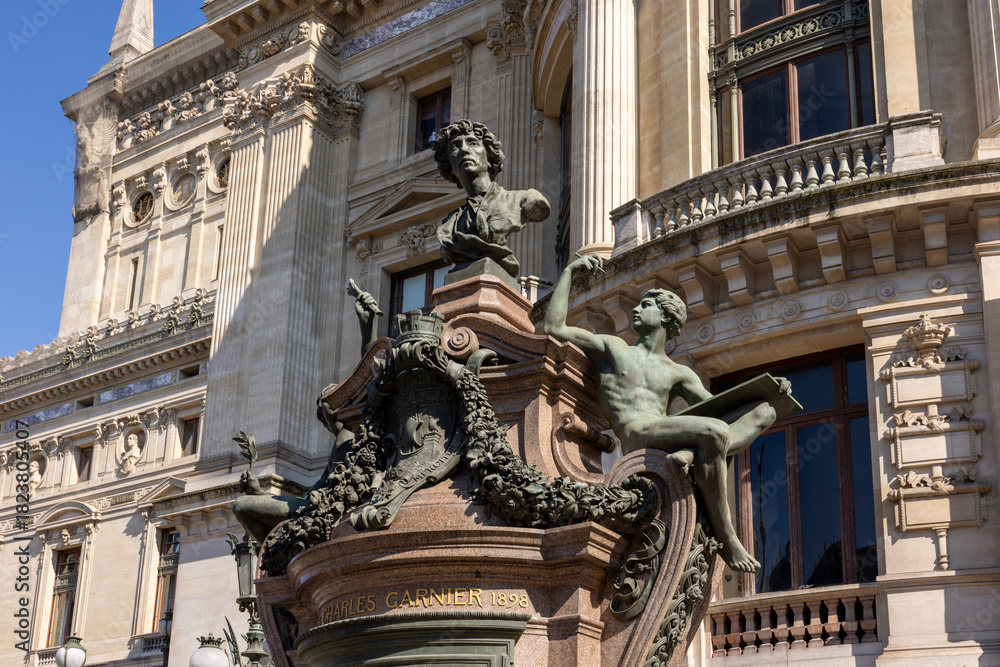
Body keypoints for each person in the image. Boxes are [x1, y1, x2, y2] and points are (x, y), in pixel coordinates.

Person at [544, 254, 785, 573]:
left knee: (765, 412)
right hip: (637, 433)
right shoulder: (615, 349)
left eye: (646, 305)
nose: (635, 309)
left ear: (666, 317)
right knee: (715, 433)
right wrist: (569, 274)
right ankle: (726, 534)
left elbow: (721, 407)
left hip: (666, 429)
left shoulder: (678, 372)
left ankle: (689, 452)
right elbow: (554, 327)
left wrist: (770, 392)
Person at [233, 282, 380, 545]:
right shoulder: (341, 442)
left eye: (333, 396)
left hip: (340, 508)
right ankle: (276, 556)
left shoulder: (363, 427)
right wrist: (259, 492)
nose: (328, 404)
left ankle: (281, 554)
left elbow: (371, 373)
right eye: (324, 401)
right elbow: (309, 496)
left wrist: (367, 327)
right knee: (243, 505)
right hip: (316, 508)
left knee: (242, 506)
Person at [434, 120, 549, 278]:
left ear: (489, 156)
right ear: (450, 165)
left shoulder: (523, 199)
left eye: (473, 143)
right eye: (455, 146)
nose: (464, 150)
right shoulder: (450, 226)